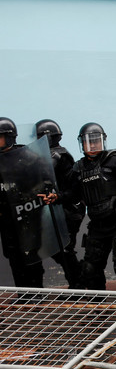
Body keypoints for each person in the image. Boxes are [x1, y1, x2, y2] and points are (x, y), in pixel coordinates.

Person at [42, 122, 116, 292]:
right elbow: (73, 194)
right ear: (81, 143)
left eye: (96, 141)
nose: (92, 145)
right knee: (90, 271)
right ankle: (99, 308)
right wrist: (56, 197)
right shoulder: (78, 168)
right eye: (87, 142)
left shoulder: (115, 160)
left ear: (103, 141)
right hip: (97, 226)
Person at [35, 119, 84, 289]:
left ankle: (78, 284)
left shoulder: (58, 156)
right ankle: (79, 279)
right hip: (60, 207)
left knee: (64, 249)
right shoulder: (48, 155)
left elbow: (72, 189)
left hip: (70, 208)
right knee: (58, 250)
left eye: (39, 137)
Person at [0, 117, 46, 288]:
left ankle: (36, 295)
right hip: (6, 218)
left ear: (10, 137)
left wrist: (29, 197)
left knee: (31, 255)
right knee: (13, 257)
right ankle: (23, 296)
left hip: (28, 216)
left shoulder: (28, 157)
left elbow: (44, 182)